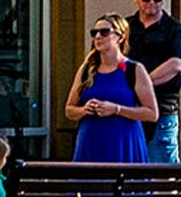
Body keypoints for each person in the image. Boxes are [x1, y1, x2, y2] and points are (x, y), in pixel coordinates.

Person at [65, 17, 157, 164]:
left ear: (120, 37)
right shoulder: (86, 70)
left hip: (124, 144)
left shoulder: (134, 70)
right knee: (88, 186)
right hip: (91, 143)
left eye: (104, 32)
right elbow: (69, 110)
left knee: (127, 185)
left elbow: (152, 114)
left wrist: (116, 109)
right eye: (94, 33)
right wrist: (84, 110)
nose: (98, 37)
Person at [123, 0, 181, 164]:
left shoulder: (175, 29)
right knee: (128, 170)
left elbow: (176, 64)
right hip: (129, 109)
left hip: (162, 110)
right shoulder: (125, 28)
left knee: (162, 172)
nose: (151, 2)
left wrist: (141, 84)